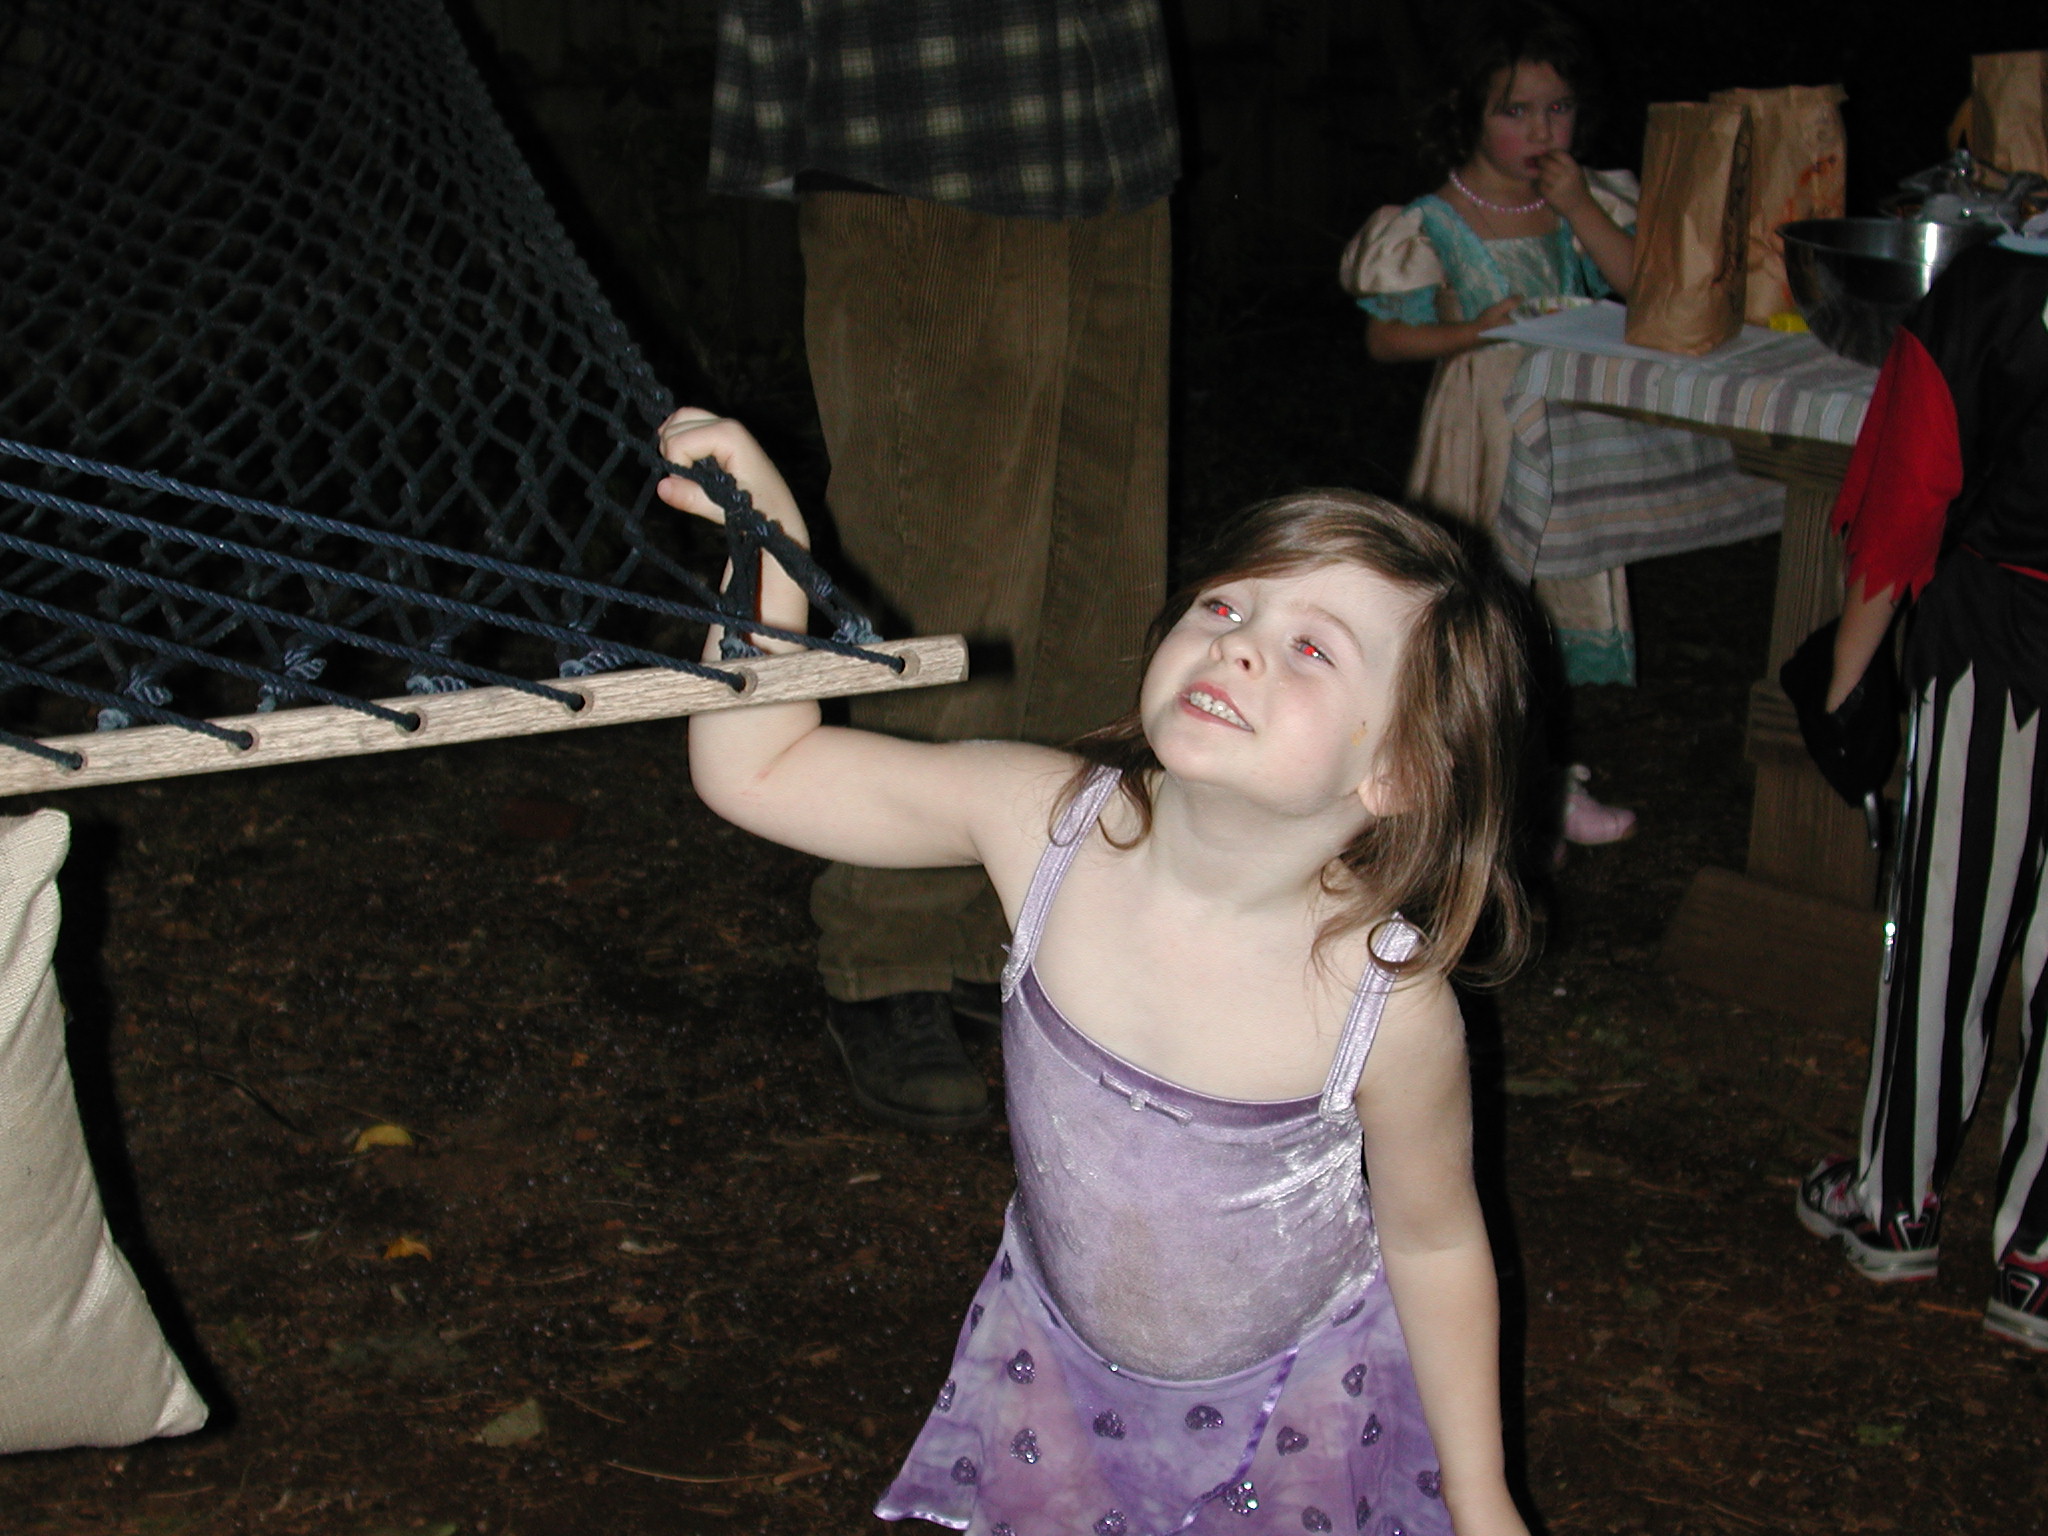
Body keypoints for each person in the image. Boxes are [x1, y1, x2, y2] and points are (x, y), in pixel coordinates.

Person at [659, 410, 1539, 1535]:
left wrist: (1480, 1495)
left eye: (1313, 648)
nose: (1236, 643)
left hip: (1299, 1411)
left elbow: (1435, 1239)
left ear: (1402, 770)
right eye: (1224, 606)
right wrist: (768, 546)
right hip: (1061, 1378)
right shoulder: (1042, 825)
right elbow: (757, 769)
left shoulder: (1383, 1004)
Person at [706, 0, 1177, 1132]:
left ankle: (1039, 921)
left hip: (1107, 117)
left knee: (1105, 574)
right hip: (925, 111)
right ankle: (894, 952)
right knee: (938, 567)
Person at [1794, 224, 2048, 1353]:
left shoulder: (1994, 289)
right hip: (2001, 625)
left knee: (1947, 924)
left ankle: (1893, 1198)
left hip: (1995, 635)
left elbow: (1907, 498)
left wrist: (1848, 685)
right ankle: (2038, 1255)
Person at [1340, 4, 1636, 847]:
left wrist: (1581, 208)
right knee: (1477, 612)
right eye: (1516, 111)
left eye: (1558, 108)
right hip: (1479, 434)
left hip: (1562, 427)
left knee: (1547, 612)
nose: (1542, 130)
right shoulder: (1432, 221)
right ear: (1469, 113)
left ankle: (1543, 781)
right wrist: (1475, 330)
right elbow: (1384, 340)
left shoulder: (1581, 201)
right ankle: (1462, 786)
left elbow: (1643, 287)